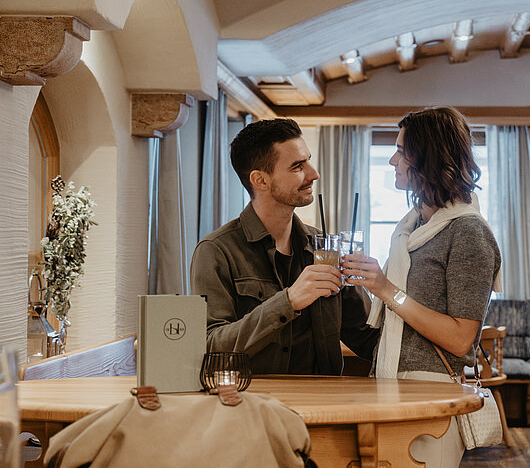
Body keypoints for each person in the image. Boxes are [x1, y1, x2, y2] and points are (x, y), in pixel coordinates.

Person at [341, 106, 502, 467]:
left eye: (401, 150)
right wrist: (366, 285)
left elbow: (462, 339)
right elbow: (405, 313)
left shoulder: (468, 233)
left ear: (428, 158)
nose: (392, 160)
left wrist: (386, 290)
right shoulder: (410, 228)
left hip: (433, 393)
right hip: (390, 383)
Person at [191, 118, 379, 375]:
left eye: (308, 161)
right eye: (297, 166)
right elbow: (211, 346)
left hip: (326, 408)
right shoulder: (216, 251)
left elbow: (368, 340)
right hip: (252, 407)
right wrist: (287, 302)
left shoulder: (326, 250)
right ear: (260, 180)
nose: (314, 174)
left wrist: (385, 291)